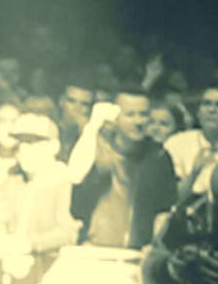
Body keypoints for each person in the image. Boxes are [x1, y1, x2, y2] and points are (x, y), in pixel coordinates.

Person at [0, 114, 79, 284]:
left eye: (33, 143)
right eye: (20, 144)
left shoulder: (63, 179)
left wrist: (29, 245)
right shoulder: (11, 178)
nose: (24, 150)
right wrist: (3, 245)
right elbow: (0, 220)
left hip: (50, 276)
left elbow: (69, 232)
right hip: (10, 276)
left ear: (53, 146)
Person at [68, 93, 177, 250]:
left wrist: (154, 245)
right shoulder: (93, 150)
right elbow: (74, 205)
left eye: (144, 114)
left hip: (138, 251)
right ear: (114, 118)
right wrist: (99, 172)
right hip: (92, 247)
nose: (138, 122)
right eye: (130, 115)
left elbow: (164, 209)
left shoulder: (158, 156)